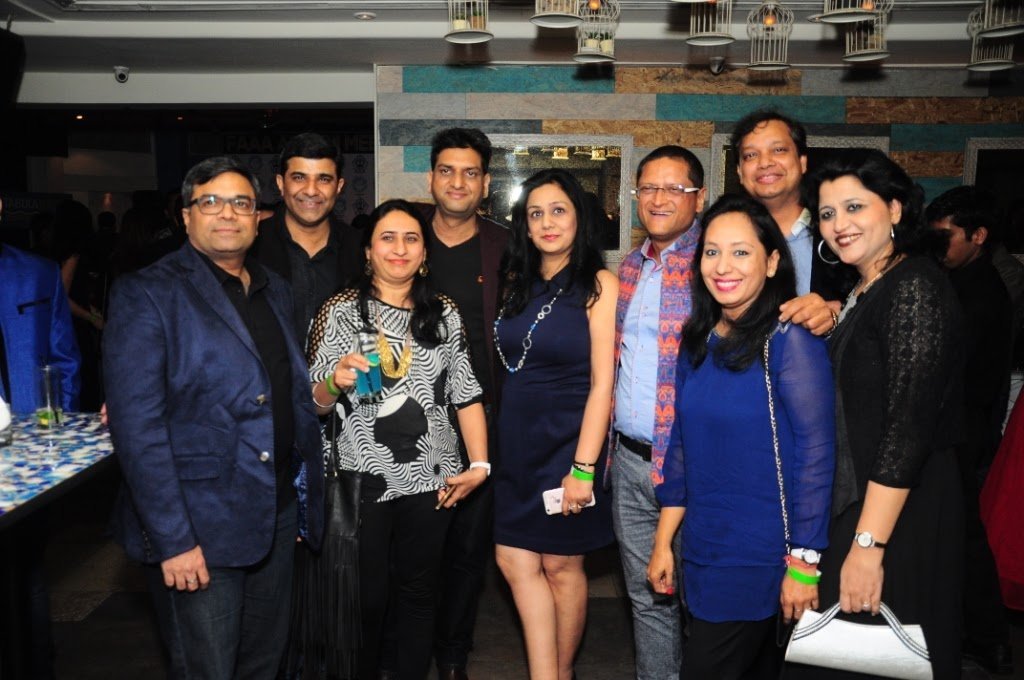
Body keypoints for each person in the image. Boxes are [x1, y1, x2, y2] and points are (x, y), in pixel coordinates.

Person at [103, 156, 326, 679]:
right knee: (208, 669)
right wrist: (174, 541)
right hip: (199, 527)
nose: (227, 213)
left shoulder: (273, 288)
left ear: (258, 218)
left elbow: (287, 395)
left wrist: (300, 504)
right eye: (211, 202)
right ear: (186, 216)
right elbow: (138, 432)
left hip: (275, 515)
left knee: (264, 664)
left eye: (241, 203)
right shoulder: (147, 293)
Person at [786, 149, 965, 680]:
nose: (839, 224)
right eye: (827, 213)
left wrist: (868, 547)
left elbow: (907, 428)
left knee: (879, 656)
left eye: (854, 207)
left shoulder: (915, 286)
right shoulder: (867, 286)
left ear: (894, 208)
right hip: (867, 501)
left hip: (896, 512)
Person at [646, 193, 835, 679]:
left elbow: (816, 454)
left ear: (771, 263)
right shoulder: (698, 341)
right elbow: (681, 447)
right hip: (703, 547)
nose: (723, 266)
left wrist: (804, 563)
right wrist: (664, 541)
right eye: (712, 252)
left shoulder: (790, 341)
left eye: (741, 252)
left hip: (761, 555)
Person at [307, 199, 490, 680]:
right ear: (368, 251)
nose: (400, 248)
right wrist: (335, 381)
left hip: (433, 477)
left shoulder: (443, 312)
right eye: (387, 238)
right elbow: (313, 403)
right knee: (367, 599)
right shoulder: (340, 311)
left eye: (411, 239)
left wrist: (480, 465)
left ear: (424, 253)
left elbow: (466, 393)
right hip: (362, 478)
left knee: (418, 593)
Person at [493, 168, 617, 680]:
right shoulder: (517, 283)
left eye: (558, 211)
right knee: (514, 560)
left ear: (579, 218)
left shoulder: (599, 284)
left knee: (562, 565)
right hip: (516, 446)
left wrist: (583, 468)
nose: (547, 223)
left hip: (569, 443)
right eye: (536, 213)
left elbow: (603, 385)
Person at [608, 144, 705, 680]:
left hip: (693, 465)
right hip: (628, 461)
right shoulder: (630, 267)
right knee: (647, 598)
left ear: (699, 197)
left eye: (674, 188)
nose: (659, 198)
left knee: (700, 600)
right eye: (648, 187)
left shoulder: (715, 264)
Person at [417, 127, 509, 680]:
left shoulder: (505, 246)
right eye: (447, 170)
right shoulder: (403, 234)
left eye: (470, 172)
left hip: (482, 420)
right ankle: (404, 651)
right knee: (411, 548)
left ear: (486, 183)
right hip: (406, 425)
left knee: (467, 550)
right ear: (431, 177)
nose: (458, 182)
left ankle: (453, 654)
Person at [927, 186, 1014, 675]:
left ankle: (987, 638)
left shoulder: (979, 293)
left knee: (964, 533)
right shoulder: (961, 281)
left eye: (946, 237)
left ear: (978, 236)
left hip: (963, 430)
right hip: (963, 426)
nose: (939, 247)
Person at [731, 109, 852, 336]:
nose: (765, 162)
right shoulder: (723, 239)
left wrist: (838, 316)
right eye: (750, 155)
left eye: (778, 150)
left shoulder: (841, 233)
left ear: (802, 162)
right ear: (739, 172)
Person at [251, 131, 364, 342]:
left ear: (339, 187)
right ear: (280, 183)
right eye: (299, 178)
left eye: (324, 179)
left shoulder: (361, 249)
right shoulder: (251, 245)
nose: (311, 190)